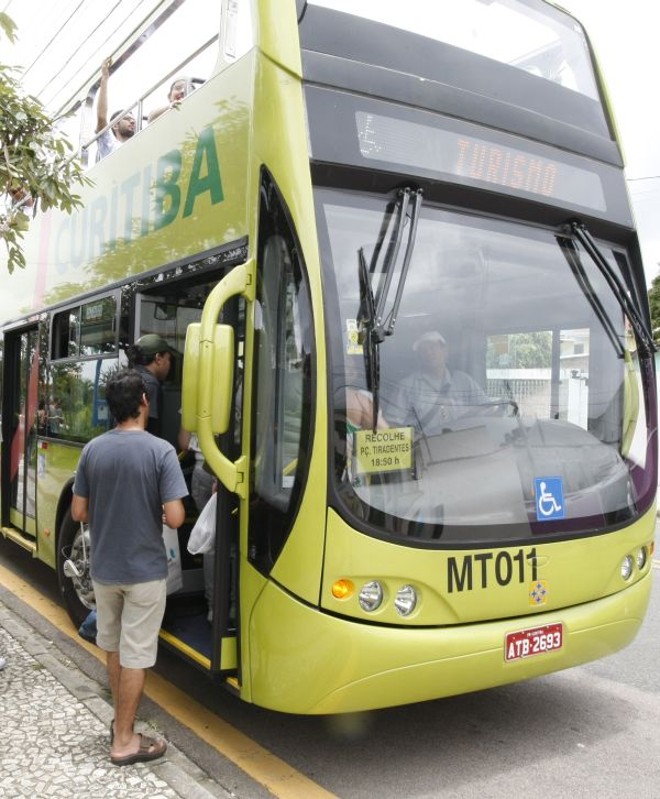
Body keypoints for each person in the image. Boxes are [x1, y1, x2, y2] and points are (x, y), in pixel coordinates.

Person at [71, 369, 188, 766]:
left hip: (105, 571)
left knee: (114, 647)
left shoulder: (93, 450)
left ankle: (119, 722)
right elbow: (175, 518)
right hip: (144, 574)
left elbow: (78, 510)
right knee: (136, 654)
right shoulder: (161, 452)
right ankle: (124, 740)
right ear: (143, 401)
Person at [388, 331, 488, 434]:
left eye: (432, 347)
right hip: (422, 448)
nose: (428, 353)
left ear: (445, 351)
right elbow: (391, 425)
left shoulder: (463, 381)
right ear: (419, 356)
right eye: (423, 350)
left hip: (463, 446)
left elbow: (486, 409)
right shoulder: (406, 386)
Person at [179, 426, 216, 621]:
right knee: (234, 546)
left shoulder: (197, 394)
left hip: (202, 470)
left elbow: (184, 443)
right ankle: (234, 605)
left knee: (211, 544)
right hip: (231, 469)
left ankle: (214, 607)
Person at [127, 334, 174, 436]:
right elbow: (147, 428)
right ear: (158, 359)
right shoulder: (150, 383)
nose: (169, 364)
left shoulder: (126, 378)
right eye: (168, 359)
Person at [96, 58, 135, 161]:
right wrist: (104, 78)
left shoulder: (137, 144)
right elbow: (101, 116)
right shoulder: (110, 145)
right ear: (115, 125)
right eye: (127, 118)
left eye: (133, 119)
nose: (132, 121)